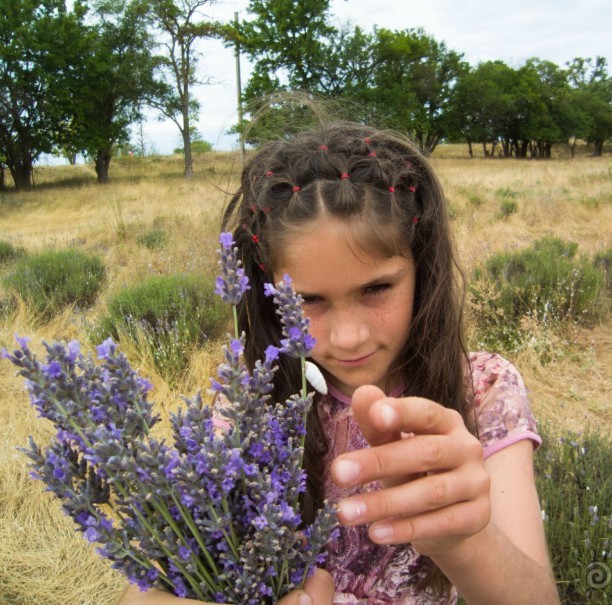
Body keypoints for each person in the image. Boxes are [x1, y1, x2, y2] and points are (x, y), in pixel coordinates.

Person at [121, 122, 559, 605]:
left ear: (422, 271)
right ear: (272, 302)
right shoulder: (250, 399)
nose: (348, 337)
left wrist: (465, 538)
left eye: (376, 289)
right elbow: (166, 570)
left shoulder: (485, 390)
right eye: (308, 299)